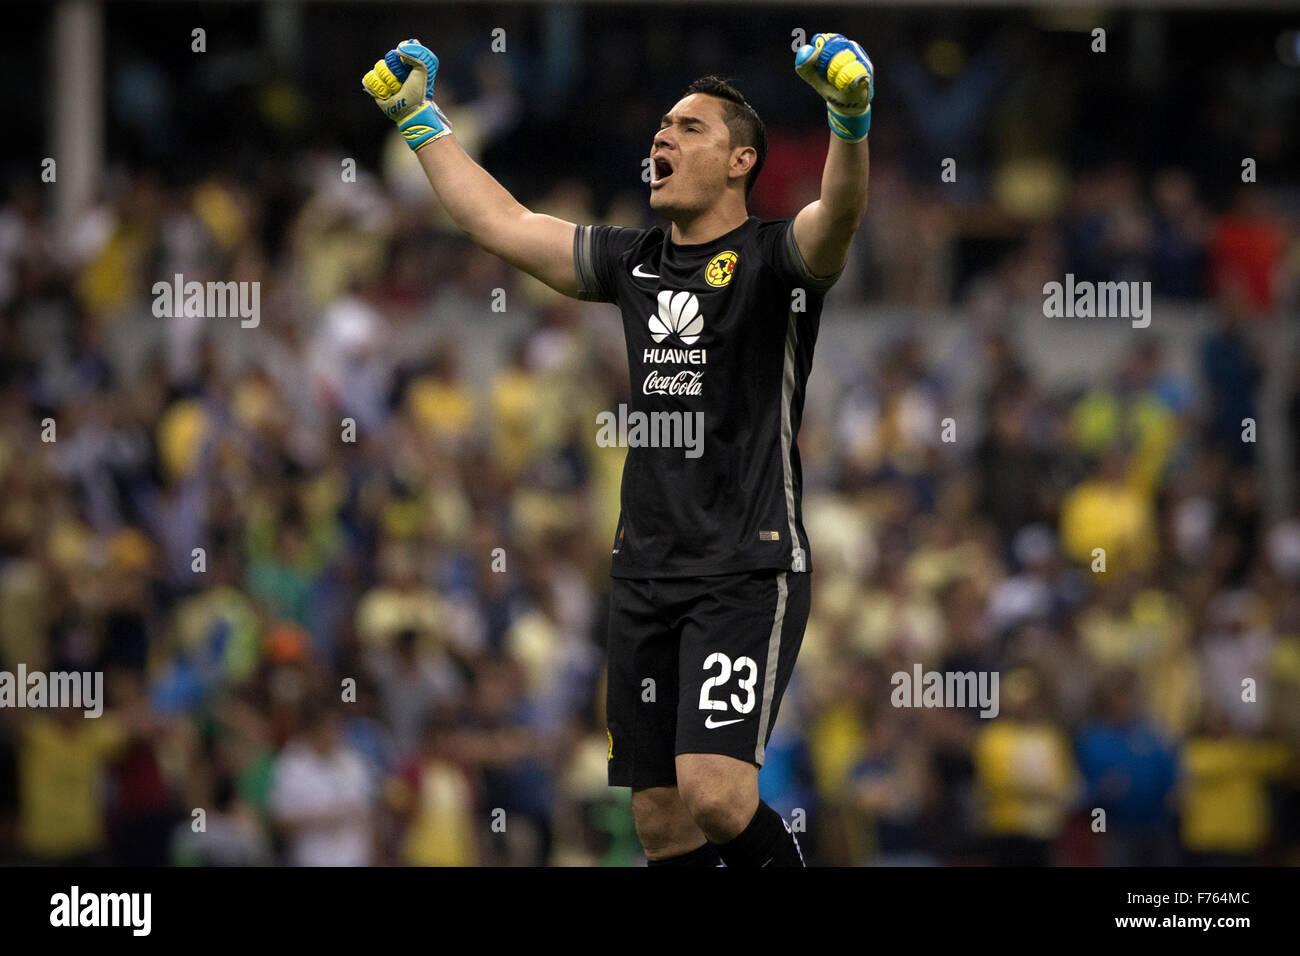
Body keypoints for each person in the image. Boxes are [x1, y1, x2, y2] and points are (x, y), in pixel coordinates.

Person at [361, 32, 874, 867]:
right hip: (643, 571)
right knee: (661, 823)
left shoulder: (775, 260)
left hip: (745, 566)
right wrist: (422, 120)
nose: (661, 139)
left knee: (717, 794)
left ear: (742, 160)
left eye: (689, 128)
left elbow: (839, 214)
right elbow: (503, 223)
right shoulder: (633, 265)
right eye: (661, 126)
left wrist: (848, 120)